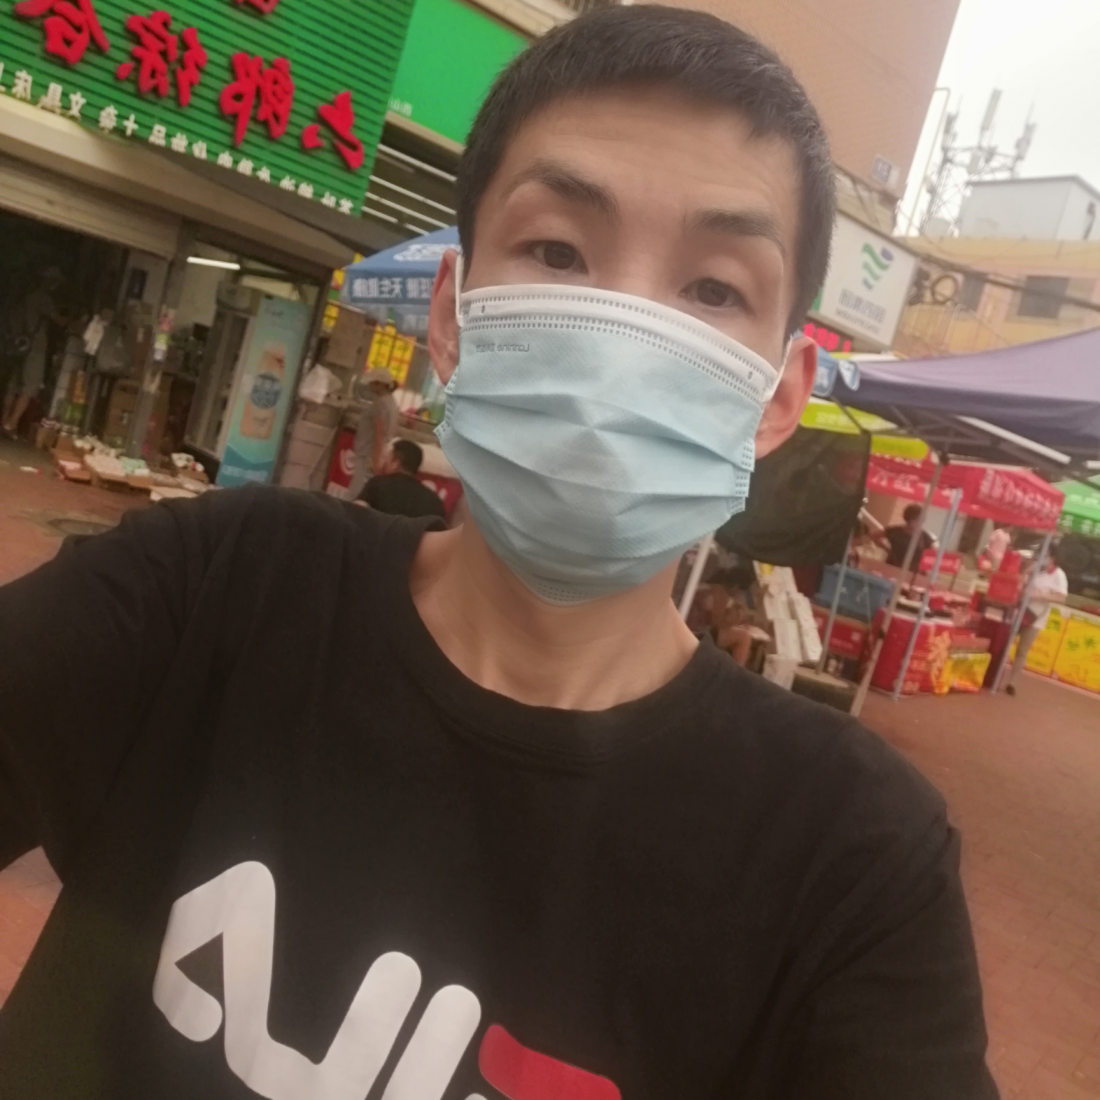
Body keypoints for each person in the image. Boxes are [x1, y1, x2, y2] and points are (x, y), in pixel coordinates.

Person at [0, 9, 995, 1098]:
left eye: (713, 289)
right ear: (452, 316)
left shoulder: (852, 856)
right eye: (557, 251)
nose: (619, 341)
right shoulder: (218, 588)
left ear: (778, 397)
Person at [1, 266, 62, 438]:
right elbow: (59, 320)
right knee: (30, 386)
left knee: (13, 385)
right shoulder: (42, 299)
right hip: (34, 348)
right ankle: (11, 424)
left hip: (17, 346)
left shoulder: (21, 298)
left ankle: (4, 420)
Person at [1005, 547, 1068, 697]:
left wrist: (1040, 595)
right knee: (1005, 642)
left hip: (1035, 617)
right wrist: (1026, 572)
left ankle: (1012, 682)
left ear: (1052, 558)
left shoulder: (1059, 575)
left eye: (1046, 556)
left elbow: (1061, 597)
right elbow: (1020, 586)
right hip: (1019, 610)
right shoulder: (1034, 568)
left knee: (1022, 650)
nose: (1042, 558)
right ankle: (995, 674)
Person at [359, 438, 447, 520]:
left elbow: (356, 514)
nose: (384, 464)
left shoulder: (376, 485)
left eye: (387, 459)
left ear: (395, 464)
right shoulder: (434, 501)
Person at [347, 365, 399, 499]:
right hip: (378, 453)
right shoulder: (391, 402)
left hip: (368, 454)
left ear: (380, 384)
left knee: (357, 491)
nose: (370, 385)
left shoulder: (380, 404)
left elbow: (379, 433)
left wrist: (375, 461)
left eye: (373, 382)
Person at [881, 503, 936, 567]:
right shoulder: (895, 530)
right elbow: (874, 535)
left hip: (911, 569)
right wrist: (886, 549)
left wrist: (923, 564)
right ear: (907, 519)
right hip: (891, 566)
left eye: (918, 520)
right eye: (913, 519)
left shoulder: (924, 536)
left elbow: (933, 554)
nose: (914, 523)